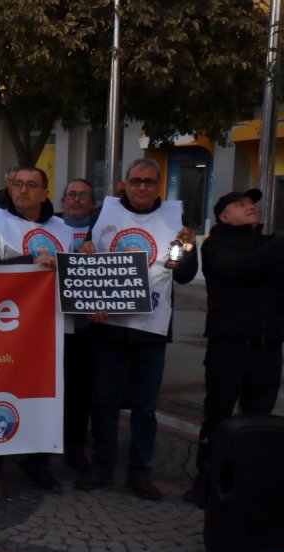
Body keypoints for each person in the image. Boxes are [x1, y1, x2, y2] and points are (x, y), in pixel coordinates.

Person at [75, 158, 198, 500]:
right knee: (104, 402)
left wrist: (188, 249)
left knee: (145, 406)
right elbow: (88, 258)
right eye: (136, 180)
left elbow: (183, 274)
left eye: (149, 181)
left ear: (158, 185)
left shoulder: (175, 219)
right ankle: (102, 465)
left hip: (151, 328)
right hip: (109, 326)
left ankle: (140, 472)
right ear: (125, 184)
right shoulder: (104, 213)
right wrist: (84, 250)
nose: (142, 186)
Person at [0, 167, 69, 494]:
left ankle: (38, 462)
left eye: (31, 185)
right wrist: (29, 262)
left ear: (45, 192)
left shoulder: (63, 230)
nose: (23, 190)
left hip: (50, 328)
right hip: (4, 328)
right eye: (17, 185)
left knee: (44, 398)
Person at [184, 189, 284, 507]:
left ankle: (250, 484)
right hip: (229, 346)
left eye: (252, 203)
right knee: (219, 417)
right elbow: (240, 269)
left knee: (259, 421)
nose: (251, 207)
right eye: (241, 205)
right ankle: (207, 482)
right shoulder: (216, 245)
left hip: (267, 347)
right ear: (224, 216)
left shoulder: (270, 243)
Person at [57, 179, 97, 471]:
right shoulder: (51, 227)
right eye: (71, 194)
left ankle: (75, 445)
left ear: (93, 203)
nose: (77, 199)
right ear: (62, 201)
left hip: (87, 326)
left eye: (83, 195)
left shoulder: (103, 230)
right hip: (53, 325)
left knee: (80, 390)